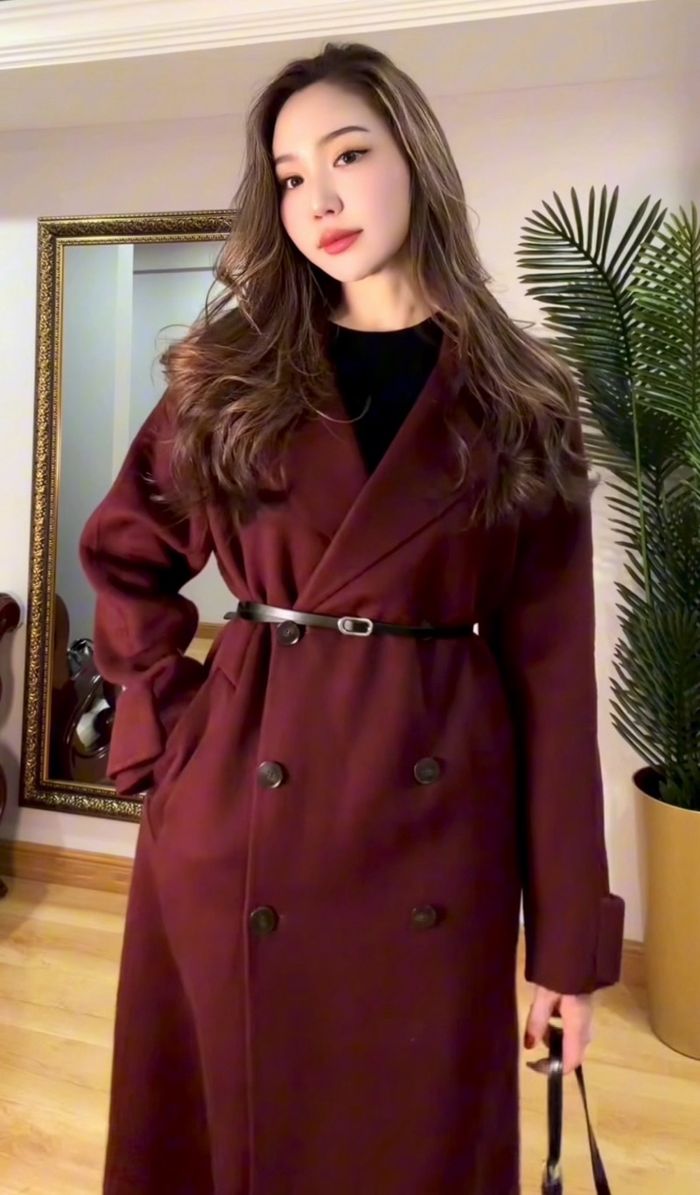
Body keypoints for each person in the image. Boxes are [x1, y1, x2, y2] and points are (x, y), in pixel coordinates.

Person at [80, 40, 625, 1195]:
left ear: (414, 159)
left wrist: (567, 949)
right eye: (289, 176)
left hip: (435, 834)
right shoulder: (229, 374)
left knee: (411, 1141)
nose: (316, 200)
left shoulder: (523, 397)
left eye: (346, 155)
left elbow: (554, 683)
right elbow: (126, 557)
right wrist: (178, 732)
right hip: (240, 821)